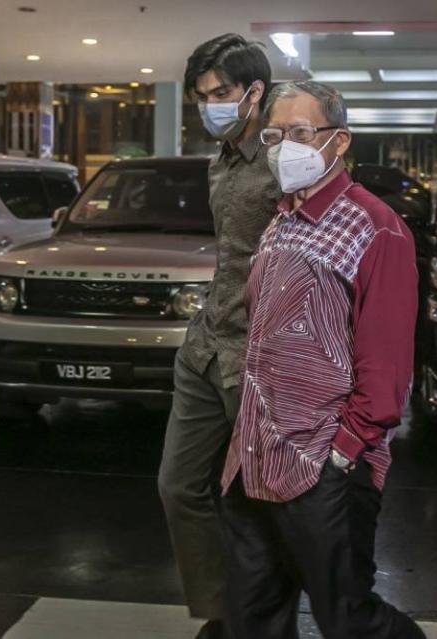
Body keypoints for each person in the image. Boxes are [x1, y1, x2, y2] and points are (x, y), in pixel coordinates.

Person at [218, 80, 426, 639]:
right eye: (275, 134)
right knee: (250, 617)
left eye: (302, 132)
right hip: (256, 457)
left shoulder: (376, 227)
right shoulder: (281, 218)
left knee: (347, 617)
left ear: (340, 142)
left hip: (324, 463)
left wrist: (343, 452)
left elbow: (386, 366)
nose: (287, 145)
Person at [157, 33, 280, 639]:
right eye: (201, 96)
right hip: (206, 348)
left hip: (262, 358)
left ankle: (259, 623)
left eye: (221, 92)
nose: (210, 104)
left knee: (263, 504)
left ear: (254, 91)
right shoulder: (221, 160)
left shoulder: (289, 155)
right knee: (179, 487)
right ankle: (224, 613)